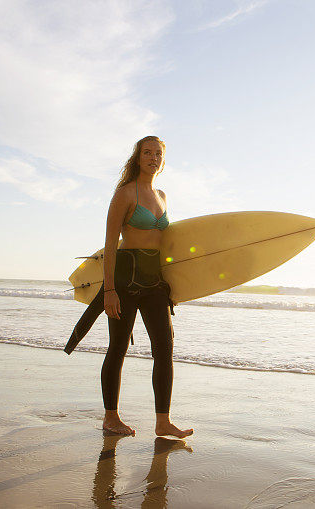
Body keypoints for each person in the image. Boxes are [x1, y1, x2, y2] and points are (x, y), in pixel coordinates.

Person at [97, 135, 193, 438]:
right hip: (125, 280)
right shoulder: (125, 194)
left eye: (158, 153)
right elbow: (110, 245)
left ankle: (163, 421)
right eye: (147, 152)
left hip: (154, 282)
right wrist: (109, 290)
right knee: (118, 348)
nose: (153, 157)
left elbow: (167, 246)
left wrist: (172, 285)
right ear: (138, 158)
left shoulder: (162, 195)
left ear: (162, 160)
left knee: (165, 348)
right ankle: (110, 417)